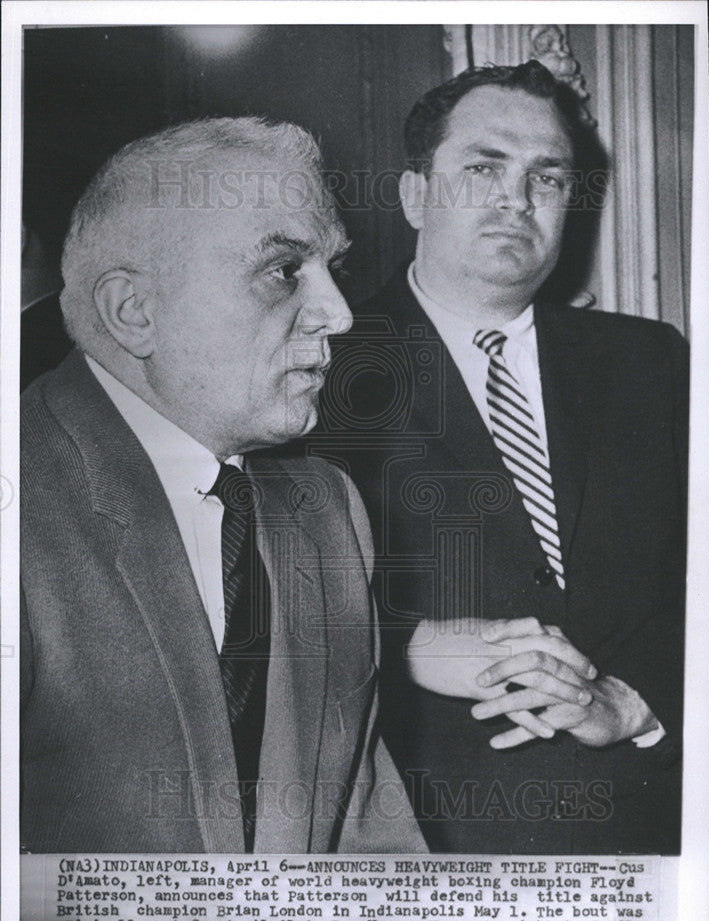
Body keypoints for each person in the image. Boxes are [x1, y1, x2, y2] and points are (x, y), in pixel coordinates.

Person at [20, 117, 426, 854]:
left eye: (334, 267)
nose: (338, 313)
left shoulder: (326, 508)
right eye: (283, 271)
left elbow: (367, 836)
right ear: (134, 312)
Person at [317, 61, 688, 853]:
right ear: (416, 195)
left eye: (545, 179)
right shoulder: (315, 370)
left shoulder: (650, 363)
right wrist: (405, 639)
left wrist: (639, 704)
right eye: (483, 167)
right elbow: (252, 602)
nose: (515, 201)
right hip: (428, 846)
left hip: (654, 824)